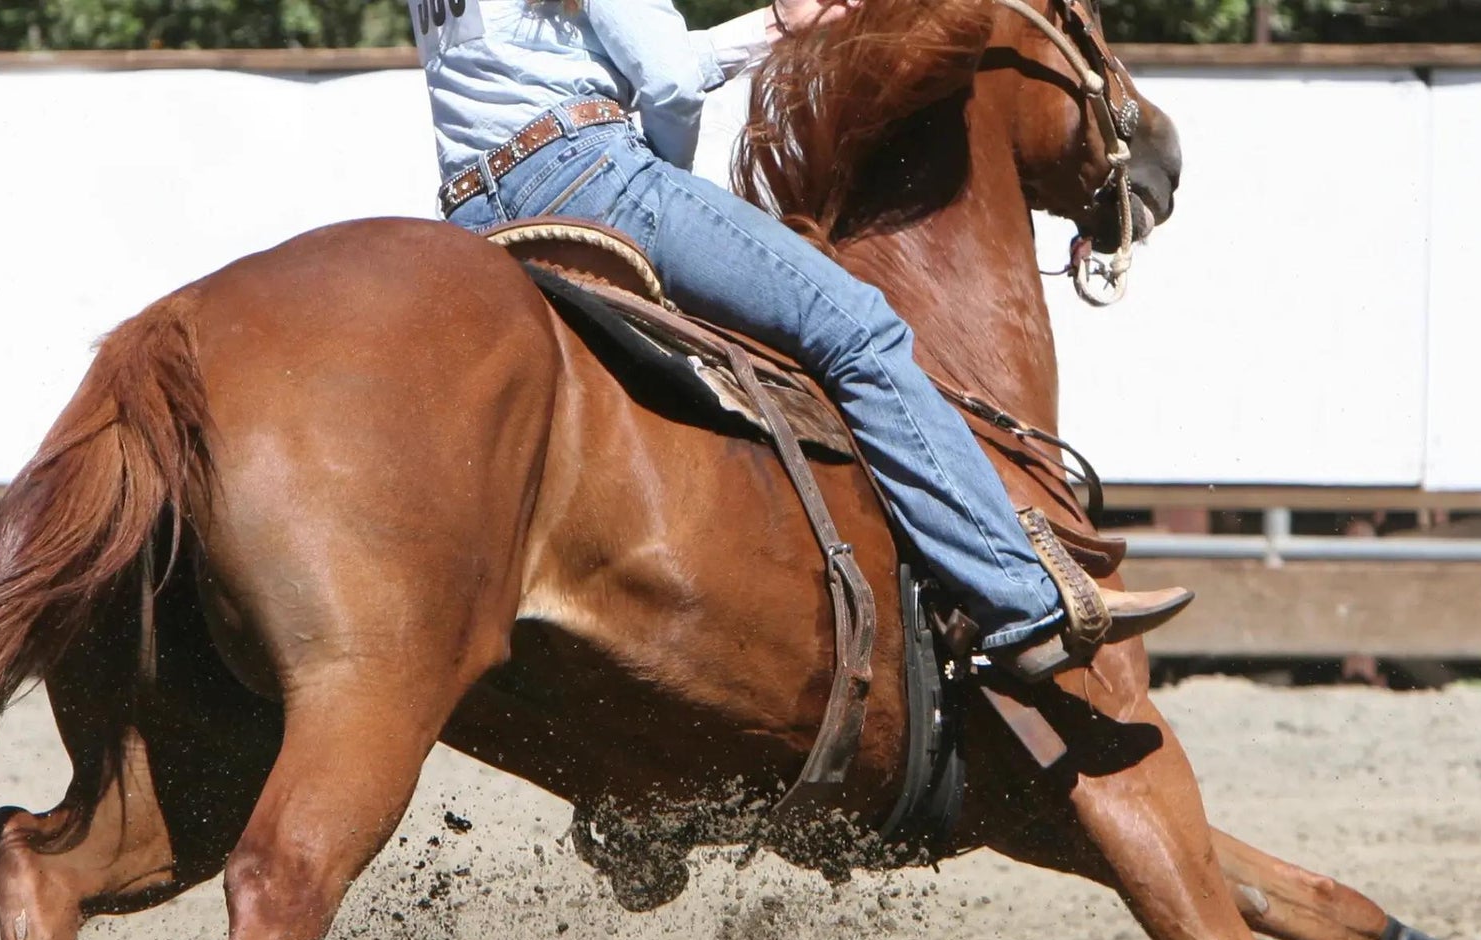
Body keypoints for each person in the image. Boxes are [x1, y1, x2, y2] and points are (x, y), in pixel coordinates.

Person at [410, 0, 1191, 681]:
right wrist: (666, 176)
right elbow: (668, 80)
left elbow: (587, 56)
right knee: (860, 331)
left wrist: (774, 27)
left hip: (478, 210)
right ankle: (1019, 599)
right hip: (595, 178)